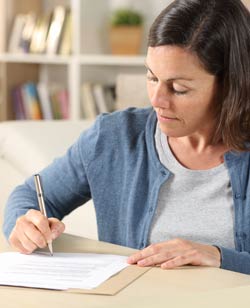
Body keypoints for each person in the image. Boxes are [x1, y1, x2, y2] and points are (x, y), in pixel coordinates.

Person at [3, 0, 250, 275]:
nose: (157, 100)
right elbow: (28, 196)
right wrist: (24, 224)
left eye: (179, 89)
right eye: (152, 77)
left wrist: (220, 257)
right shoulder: (113, 138)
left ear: (230, 85)